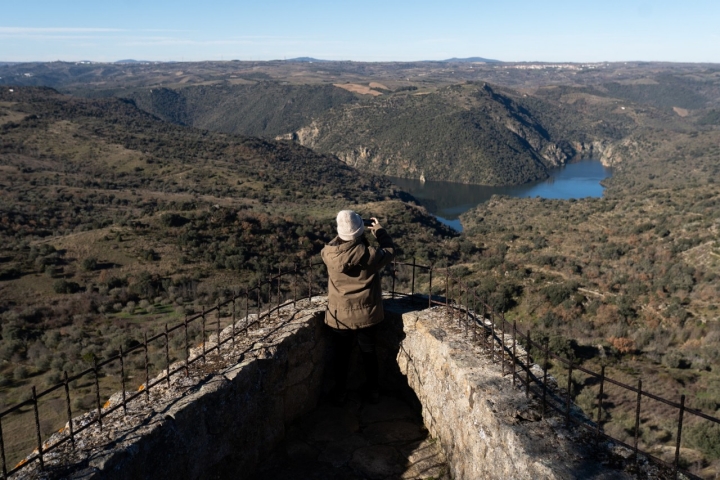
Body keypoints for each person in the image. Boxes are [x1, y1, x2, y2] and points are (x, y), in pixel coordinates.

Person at [321, 210, 395, 404]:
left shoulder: (327, 253)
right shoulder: (369, 255)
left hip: (339, 316)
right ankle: (373, 390)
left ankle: (340, 391)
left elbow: (339, 245)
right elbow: (389, 250)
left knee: (341, 355)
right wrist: (378, 230)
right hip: (366, 314)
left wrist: (346, 232)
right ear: (360, 230)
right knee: (369, 353)